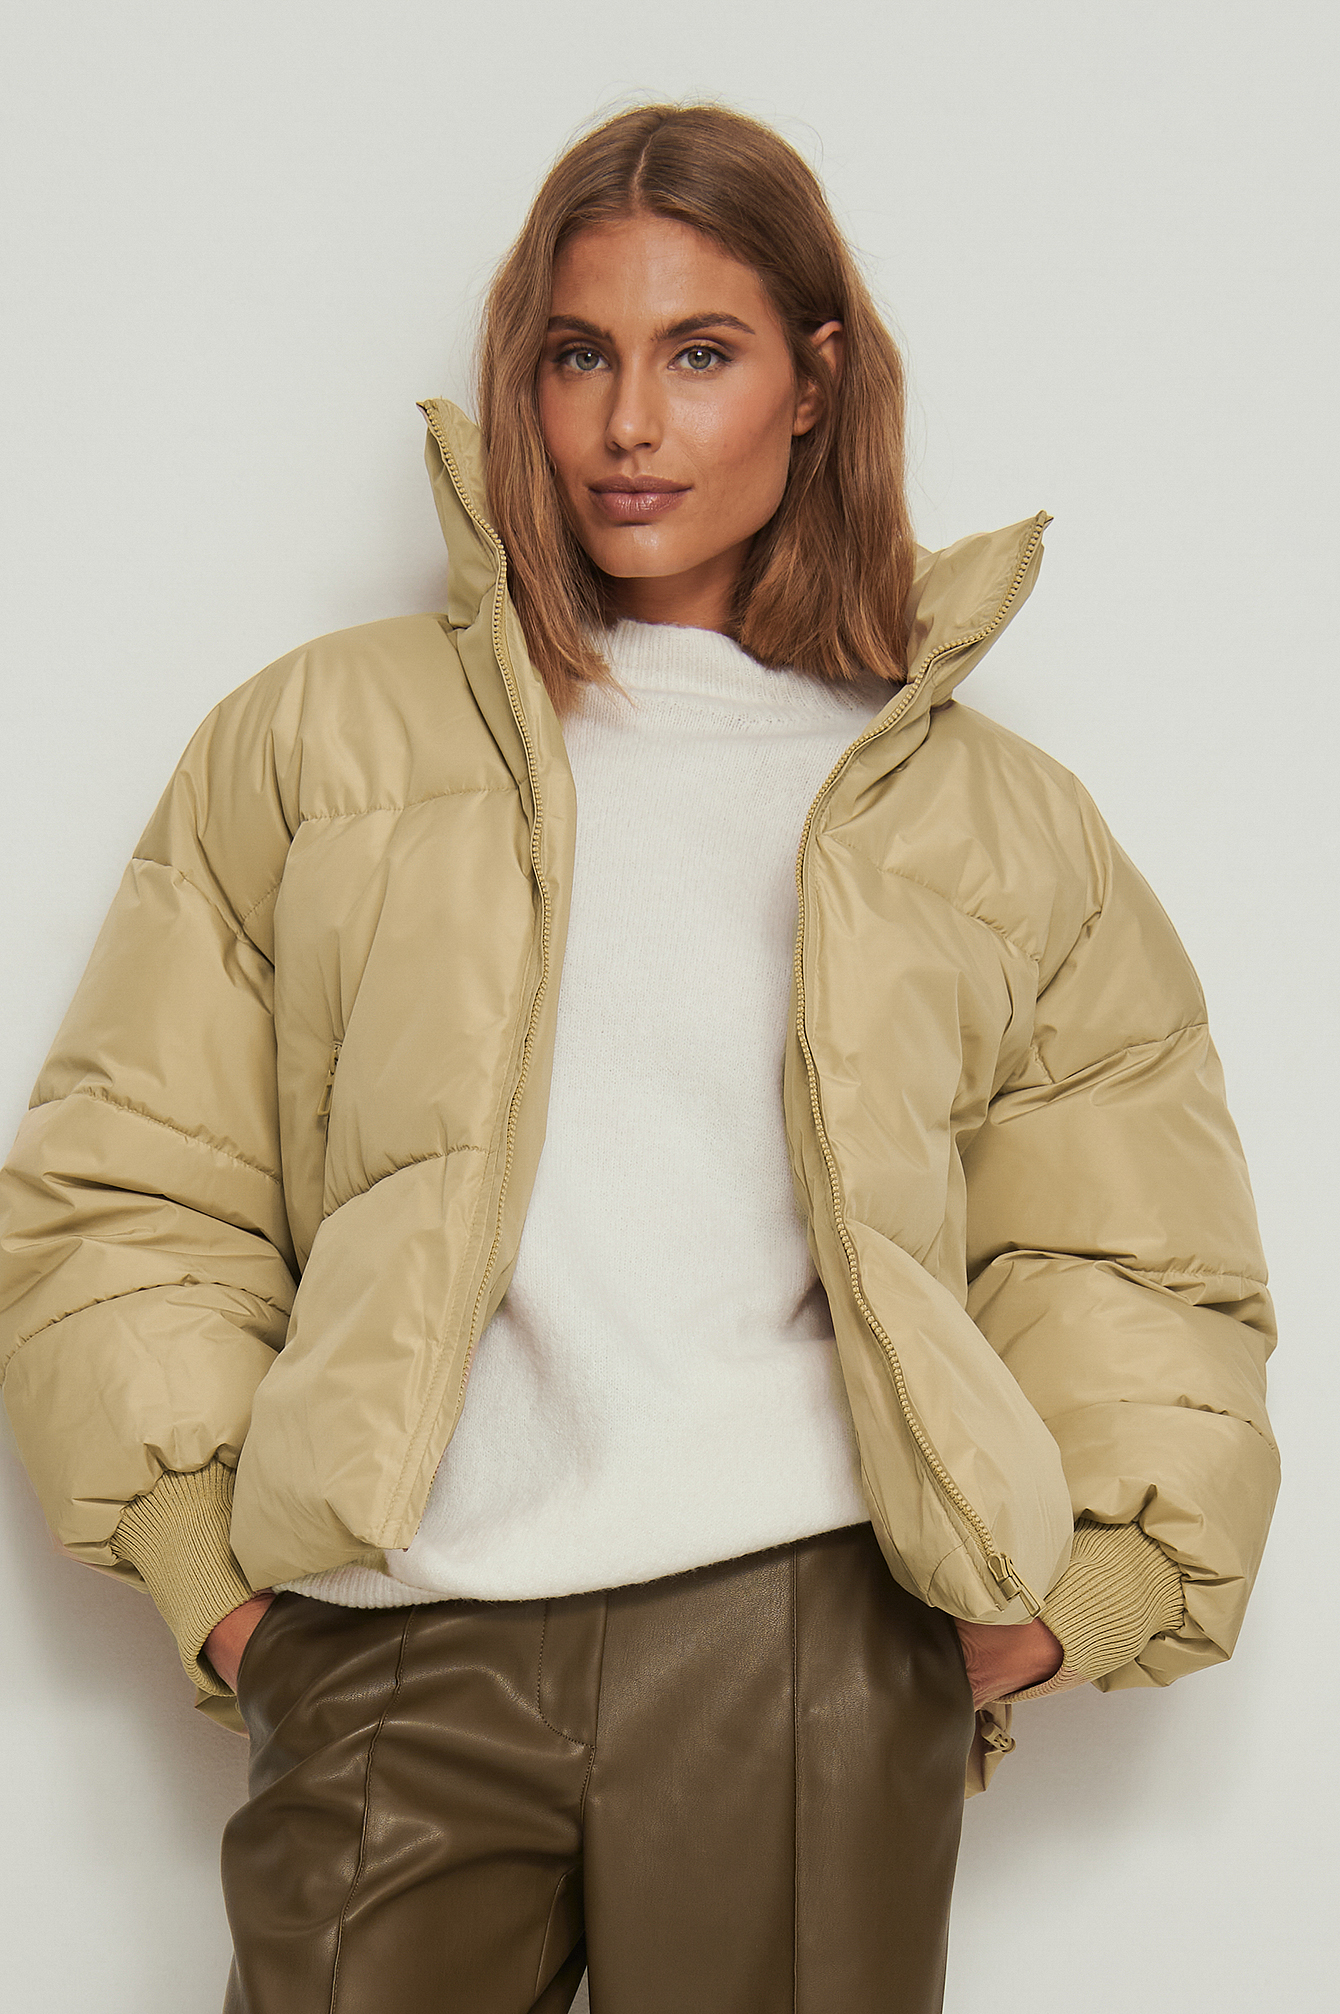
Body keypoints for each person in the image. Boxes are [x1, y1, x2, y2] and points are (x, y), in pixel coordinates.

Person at [0, 102, 1278, 2014]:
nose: (627, 424)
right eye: (578, 353)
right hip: (387, 1635)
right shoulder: (320, 740)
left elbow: (1131, 1246)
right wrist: (220, 1580)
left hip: (802, 1633)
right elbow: (135, 1175)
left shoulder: (984, 816)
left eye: (700, 354)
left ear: (813, 385)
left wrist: (1090, 1590)